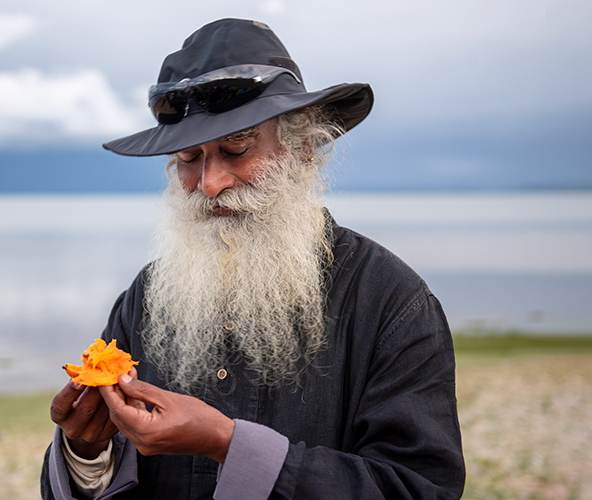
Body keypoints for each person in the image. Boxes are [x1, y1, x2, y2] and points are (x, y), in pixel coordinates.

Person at [41, 18, 465, 500]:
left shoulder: (391, 301)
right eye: (188, 158)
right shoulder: (147, 295)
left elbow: (421, 490)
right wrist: (86, 450)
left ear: (303, 150)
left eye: (236, 149)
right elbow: (92, 479)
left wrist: (228, 445)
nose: (209, 183)